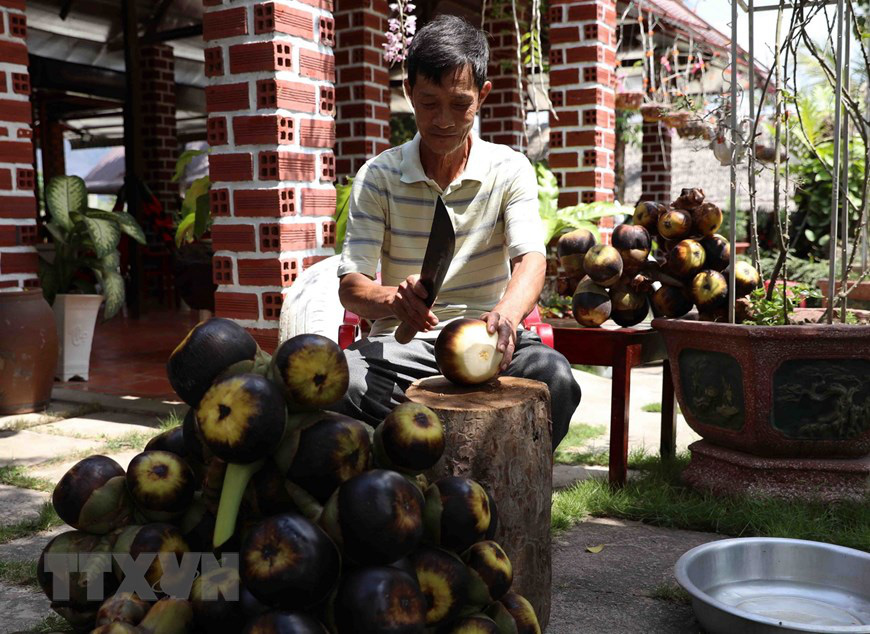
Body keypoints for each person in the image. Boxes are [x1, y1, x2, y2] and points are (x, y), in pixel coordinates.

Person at [332, 14, 581, 449]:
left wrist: (504, 317)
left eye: (459, 103)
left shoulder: (510, 169)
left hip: (492, 342)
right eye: (428, 102)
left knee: (554, 377)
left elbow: (531, 261)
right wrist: (393, 299)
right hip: (401, 349)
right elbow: (352, 286)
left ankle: (496, 485)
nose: (443, 120)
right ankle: (422, 477)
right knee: (344, 384)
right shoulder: (379, 176)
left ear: (483, 96)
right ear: (407, 91)